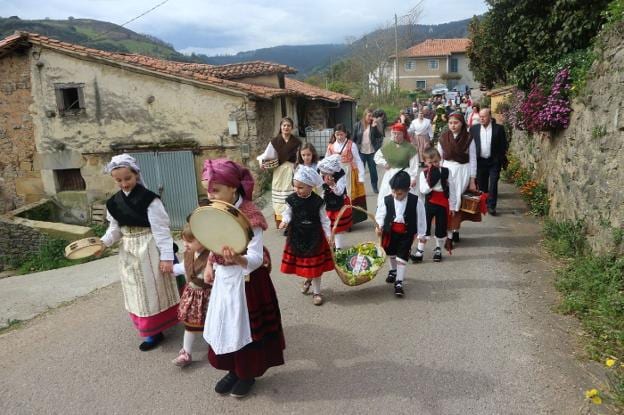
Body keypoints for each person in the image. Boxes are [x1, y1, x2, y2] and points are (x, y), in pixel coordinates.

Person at [201, 159, 285, 398]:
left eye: (215, 189)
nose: (210, 193)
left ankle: (247, 374)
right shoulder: (215, 209)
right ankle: (233, 370)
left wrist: (237, 259)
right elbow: (212, 240)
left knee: (244, 329)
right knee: (225, 325)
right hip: (223, 279)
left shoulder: (251, 215)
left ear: (233, 188)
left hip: (247, 281)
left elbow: (256, 258)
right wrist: (209, 264)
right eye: (208, 188)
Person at [99, 154, 179, 351]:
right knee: (136, 291)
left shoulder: (150, 200)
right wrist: (102, 243)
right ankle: (151, 331)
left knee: (153, 290)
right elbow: (114, 230)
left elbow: (161, 230)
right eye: (119, 180)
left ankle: (155, 330)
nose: (124, 183)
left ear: (136, 175)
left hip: (149, 248)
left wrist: (167, 257)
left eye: (128, 178)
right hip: (128, 250)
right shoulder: (113, 203)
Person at [280, 166, 334, 306]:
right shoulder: (291, 199)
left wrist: (329, 235)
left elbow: (324, 220)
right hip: (297, 235)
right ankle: (308, 279)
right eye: (295, 186)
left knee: (315, 265)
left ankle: (317, 291)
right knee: (305, 264)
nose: (297, 190)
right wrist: (285, 221)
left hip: (314, 236)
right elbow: (287, 213)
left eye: (301, 187)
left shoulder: (318, 202)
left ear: (311, 186)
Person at [171, 224, 212, 367]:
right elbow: (185, 267)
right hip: (192, 294)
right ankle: (186, 352)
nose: (184, 244)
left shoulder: (211, 257)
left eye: (189, 241)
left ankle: (216, 348)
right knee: (190, 324)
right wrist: (172, 269)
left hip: (208, 296)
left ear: (202, 240)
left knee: (211, 322)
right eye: (183, 240)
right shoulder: (189, 253)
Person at [375, 171, 419, 297]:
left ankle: (399, 282)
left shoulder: (415, 200)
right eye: (393, 192)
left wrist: (421, 234)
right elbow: (380, 214)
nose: (395, 195)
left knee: (402, 257)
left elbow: (421, 218)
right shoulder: (387, 199)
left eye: (399, 193)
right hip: (390, 231)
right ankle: (393, 271)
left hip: (406, 233)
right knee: (391, 254)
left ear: (408, 189)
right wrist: (379, 226)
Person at [437, 112, 477, 248]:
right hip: (448, 170)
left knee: (458, 201)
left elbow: (473, 159)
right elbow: (439, 158)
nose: (453, 125)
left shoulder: (469, 138)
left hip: (462, 171)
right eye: (450, 123)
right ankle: (449, 230)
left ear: (462, 123)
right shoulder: (443, 138)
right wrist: (439, 174)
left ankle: (456, 230)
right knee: (448, 201)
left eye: (456, 123)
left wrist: (472, 179)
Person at [257, 117, 302, 228]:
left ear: (292, 128)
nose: (286, 127)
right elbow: (267, 155)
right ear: (281, 127)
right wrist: (261, 162)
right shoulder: (275, 141)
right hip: (279, 171)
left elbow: (300, 157)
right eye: (284, 125)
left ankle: (293, 221)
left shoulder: (297, 142)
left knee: (292, 194)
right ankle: (282, 221)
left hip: (292, 170)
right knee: (280, 197)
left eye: (288, 125)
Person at [326, 124, 368, 224]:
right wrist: (326, 174)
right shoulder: (331, 146)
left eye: (341, 134)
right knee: (337, 195)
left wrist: (361, 175)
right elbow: (327, 161)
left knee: (348, 196)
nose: (339, 137)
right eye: (337, 134)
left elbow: (358, 160)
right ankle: (338, 219)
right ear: (334, 134)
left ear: (345, 134)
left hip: (349, 173)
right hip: (336, 173)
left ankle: (350, 219)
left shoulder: (351, 145)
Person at [470, 108, 508, 216]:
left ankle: (492, 206)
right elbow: (470, 145)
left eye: (484, 116)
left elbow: (504, 144)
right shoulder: (474, 129)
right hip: (480, 161)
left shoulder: (499, 129)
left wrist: (500, 158)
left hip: (494, 161)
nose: (481, 118)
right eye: (480, 117)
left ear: (490, 117)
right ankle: (485, 204)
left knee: (493, 183)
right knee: (482, 185)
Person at [418, 147, 451, 262]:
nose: (434, 164)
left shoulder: (446, 171)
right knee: (424, 225)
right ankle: (420, 250)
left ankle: (438, 249)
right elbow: (423, 190)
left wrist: (454, 204)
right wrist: (431, 183)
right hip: (430, 201)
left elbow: (452, 187)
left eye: (436, 161)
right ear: (425, 162)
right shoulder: (424, 174)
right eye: (430, 162)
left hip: (442, 202)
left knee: (441, 227)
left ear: (440, 159)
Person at [374, 123, 419, 207]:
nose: (396, 135)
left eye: (398, 133)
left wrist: (413, 178)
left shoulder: (410, 148)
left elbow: (414, 164)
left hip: (405, 174)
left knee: (404, 200)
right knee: (387, 198)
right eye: (394, 133)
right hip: (390, 175)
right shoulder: (389, 146)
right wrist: (385, 163)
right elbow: (377, 156)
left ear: (403, 134)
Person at [317, 154, 352, 250]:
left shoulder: (340, 174)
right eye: (322, 172)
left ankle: (339, 248)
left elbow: (340, 192)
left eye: (324, 172)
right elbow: (320, 186)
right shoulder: (321, 172)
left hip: (339, 202)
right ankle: (329, 244)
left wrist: (333, 185)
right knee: (327, 225)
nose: (322, 173)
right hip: (327, 202)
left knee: (337, 227)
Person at [352, 109, 384, 194]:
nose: (370, 117)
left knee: (373, 170)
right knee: (360, 171)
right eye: (369, 115)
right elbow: (353, 139)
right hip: (361, 152)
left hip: (372, 151)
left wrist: (374, 127)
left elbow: (379, 136)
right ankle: (359, 188)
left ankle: (374, 186)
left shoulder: (373, 125)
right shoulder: (357, 125)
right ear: (365, 115)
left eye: (371, 116)